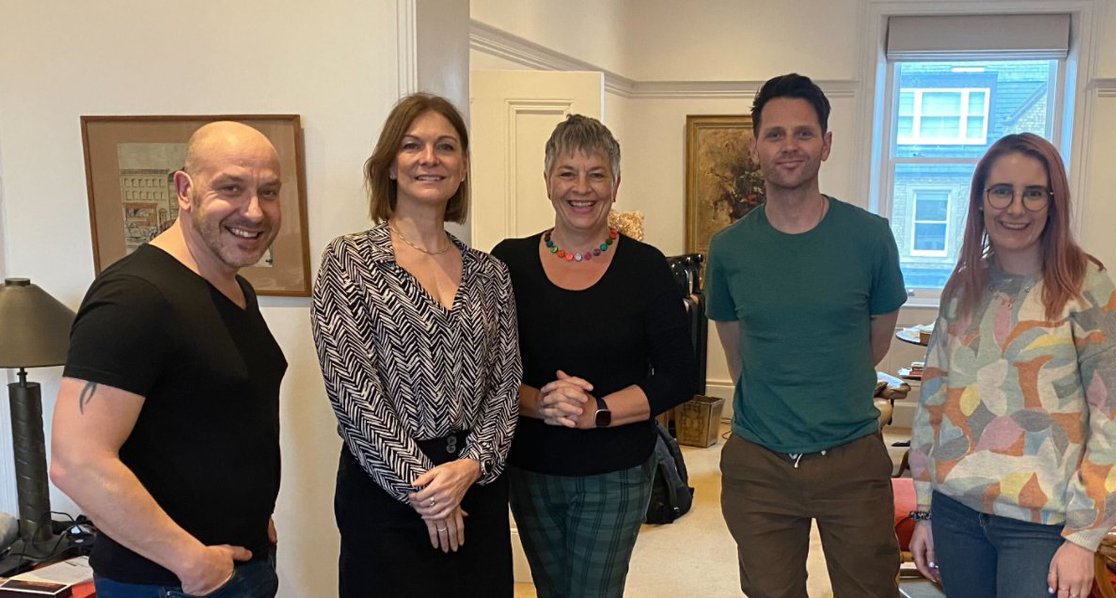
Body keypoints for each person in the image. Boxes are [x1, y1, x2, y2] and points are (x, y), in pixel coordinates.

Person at [50, 121, 287, 597]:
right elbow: (76, 461)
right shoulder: (135, 297)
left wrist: (253, 516)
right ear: (184, 190)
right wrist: (189, 560)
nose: (254, 210)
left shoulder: (235, 288)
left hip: (237, 567)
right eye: (231, 188)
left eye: (268, 191)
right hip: (168, 582)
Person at [908, 133, 1116, 598]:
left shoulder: (1086, 285)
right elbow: (934, 402)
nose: (1016, 208)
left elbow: (1113, 419)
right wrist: (925, 510)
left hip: (1042, 525)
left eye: (1033, 193)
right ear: (980, 200)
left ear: (1053, 202)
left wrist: (1084, 538)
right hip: (956, 513)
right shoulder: (964, 285)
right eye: (1002, 191)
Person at [310, 93, 520, 597]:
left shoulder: (491, 273)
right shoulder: (349, 262)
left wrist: (471, 466)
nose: (430, 158)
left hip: (476, 481)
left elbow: (506, 384)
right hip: (386, 492)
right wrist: (425, 490)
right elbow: (355, 396)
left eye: (446, 147)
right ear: (389, 165)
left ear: (463, 168)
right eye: (412, 145)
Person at [706, 73, 907, 597]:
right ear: (755, 148)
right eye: (775, 134)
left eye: (804, 133)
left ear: (826, 143)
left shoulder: (870, 237)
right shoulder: (728, 249)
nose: (789, 146)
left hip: (852, 457)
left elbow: (875, 344)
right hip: (760, 464)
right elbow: (738, 354)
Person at [491, 114, 697, 598]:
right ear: (548, 181)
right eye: (568, 173)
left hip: (616, 472)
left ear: (616, 184)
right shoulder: (508, 262)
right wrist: (541, 403)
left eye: (596, 174)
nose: (581, 188)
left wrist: (596, 412)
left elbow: (678, 375)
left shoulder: (646, 268)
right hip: (531, 468)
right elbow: (487, 371)